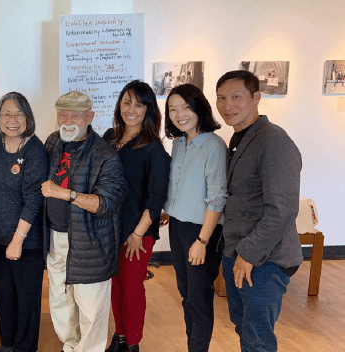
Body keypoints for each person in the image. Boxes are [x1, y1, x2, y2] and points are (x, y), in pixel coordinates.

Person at [215, 70, 302, 352]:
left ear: (257, 98)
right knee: (245, 327)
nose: (228, 105)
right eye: (221, 98)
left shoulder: (273, 141)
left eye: (236, 97)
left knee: (258, 338)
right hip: (238, 251)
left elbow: (282, 209)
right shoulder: (241, 138)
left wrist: (248, 255)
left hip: (264, 260)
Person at [42, 91, 126, 352]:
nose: (68, 120)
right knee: (60, 304)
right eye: (63, 114)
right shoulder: (54, 142)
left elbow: (107, 204)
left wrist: (65, 194)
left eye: (76, 115)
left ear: (90, 117)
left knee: (91, 313)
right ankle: (70, 347)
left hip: (90, 245)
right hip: (56, 239)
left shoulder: (105, 155)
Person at [103, 80, 170, 352]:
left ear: (148, 110)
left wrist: (138, 234)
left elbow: (156, 199)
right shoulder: (109, 138)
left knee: (132, 289)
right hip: (109, 229)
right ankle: (119, 337)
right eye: (127, 102)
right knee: (115, 286)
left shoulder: (153, 148)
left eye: (139, 104)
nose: (131, 109)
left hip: (137, 233)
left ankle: (133, 344)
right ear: (120, 104)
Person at [163, 84, 227, 352]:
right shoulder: (179, 142)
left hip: (201, 232)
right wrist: (170, 208)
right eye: (173, 109)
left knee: (199, 297)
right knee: (186, 294)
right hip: (177, 227)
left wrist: (202, 240)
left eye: (186, 107)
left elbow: (217, 198)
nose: (180, 114)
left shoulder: (213, 145)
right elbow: (180, 184)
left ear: (200, 107)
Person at [0, 92, 47, 352]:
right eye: (6, 114)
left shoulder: (35, 149)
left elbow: (34, 199)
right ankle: (7, 345)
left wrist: (17, 240)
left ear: (28, 117)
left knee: (27, 301)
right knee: (3, 297)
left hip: (26, 241)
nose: (13, 120)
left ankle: (24, 348)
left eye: (19, 114)